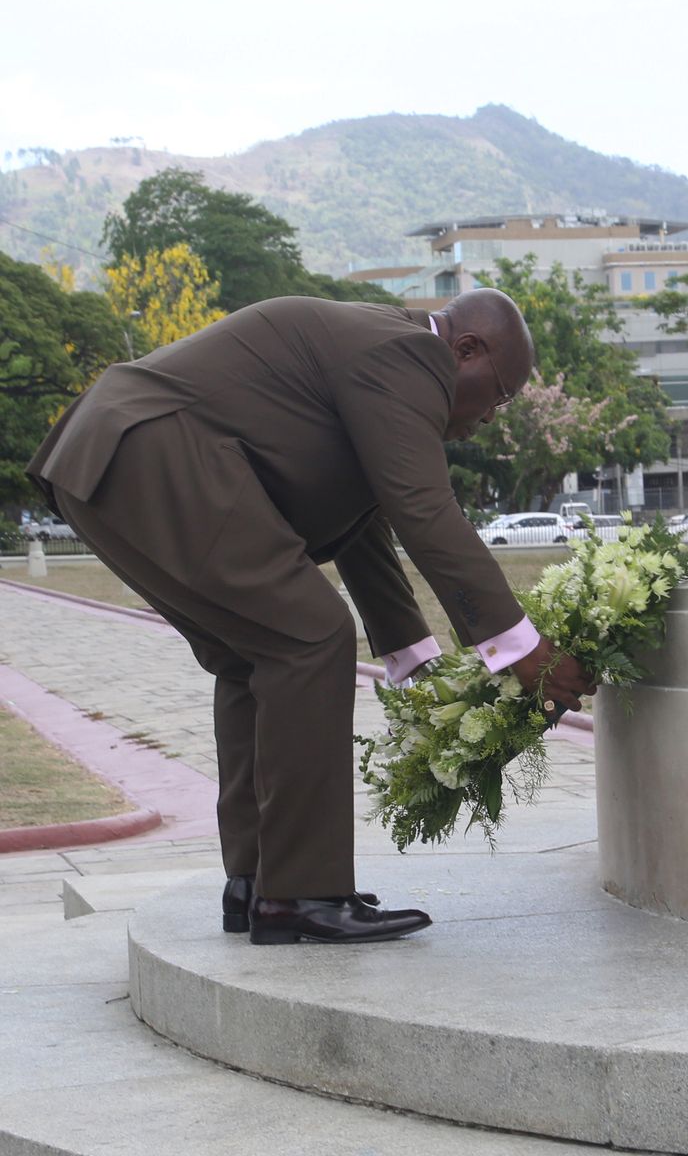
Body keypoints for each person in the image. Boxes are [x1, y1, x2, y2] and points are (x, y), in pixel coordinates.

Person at [27, 289, 594, 945]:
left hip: (112, 452)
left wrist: (414, 663)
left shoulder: (382, 346)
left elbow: (368, 525)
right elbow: (423, 508)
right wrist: (523, 652)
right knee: (311, 637)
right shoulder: (408, 353)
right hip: (151, 449)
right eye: (498, 393)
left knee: (257, 657)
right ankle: (301, 893)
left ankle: (259, 879)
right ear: (465, 349)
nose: (493, 416)